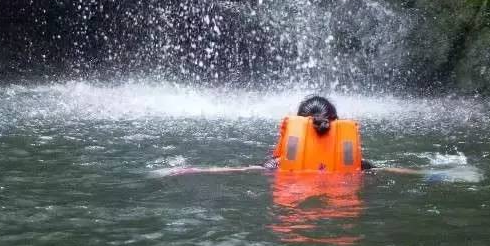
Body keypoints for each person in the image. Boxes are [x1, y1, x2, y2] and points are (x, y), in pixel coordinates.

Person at [159, 95, 420, 176]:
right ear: (337, 124)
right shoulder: (355, 164)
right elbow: (390, 170)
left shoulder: (281, 163)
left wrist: (196, 170)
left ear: (297, 128)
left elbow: (242, 169)